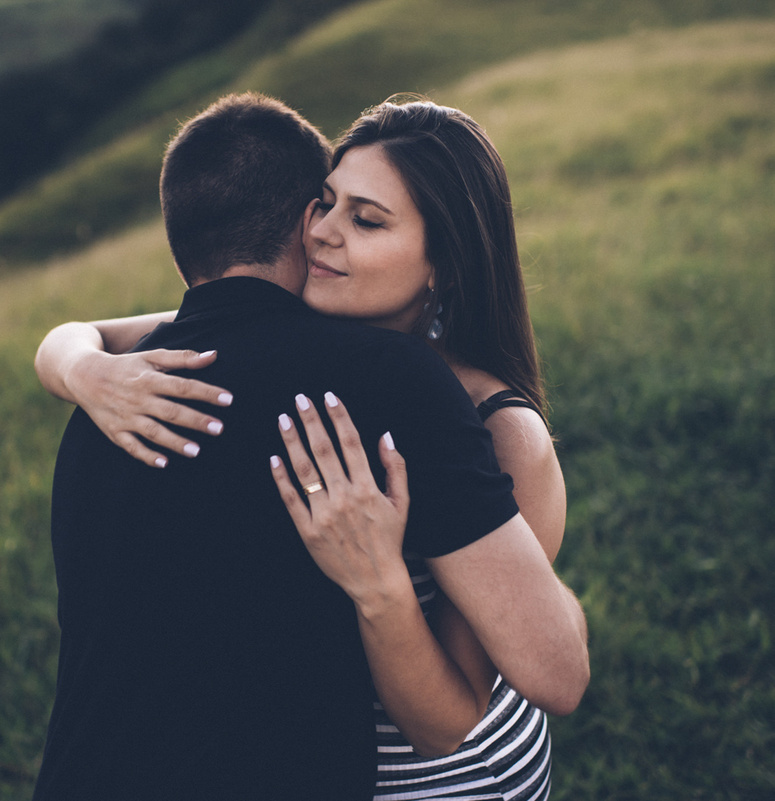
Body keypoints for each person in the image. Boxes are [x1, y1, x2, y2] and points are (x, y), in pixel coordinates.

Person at [33, 93, 588, 800]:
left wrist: (378, 578)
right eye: (324, 204)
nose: (321, 232)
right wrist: (83, 372)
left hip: (451, 775)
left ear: (442, 265)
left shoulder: (495, 425)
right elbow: (86, 334)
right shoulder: (307, 328)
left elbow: (536, 679)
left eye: (366, 219)